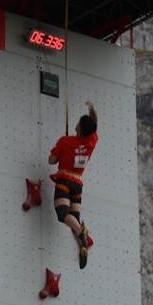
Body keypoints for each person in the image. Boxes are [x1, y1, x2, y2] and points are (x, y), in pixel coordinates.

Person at [48, 100, 98, 268]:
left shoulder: (66, 141)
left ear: (78, 127)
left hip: (64, 181)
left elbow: (51, 160)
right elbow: (93, 126)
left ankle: (81, 232)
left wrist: (60, 151)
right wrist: (92, 110)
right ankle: (83, 242)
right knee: (73, 218)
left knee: (62, 213)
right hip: (78, 183)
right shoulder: (91, 142)